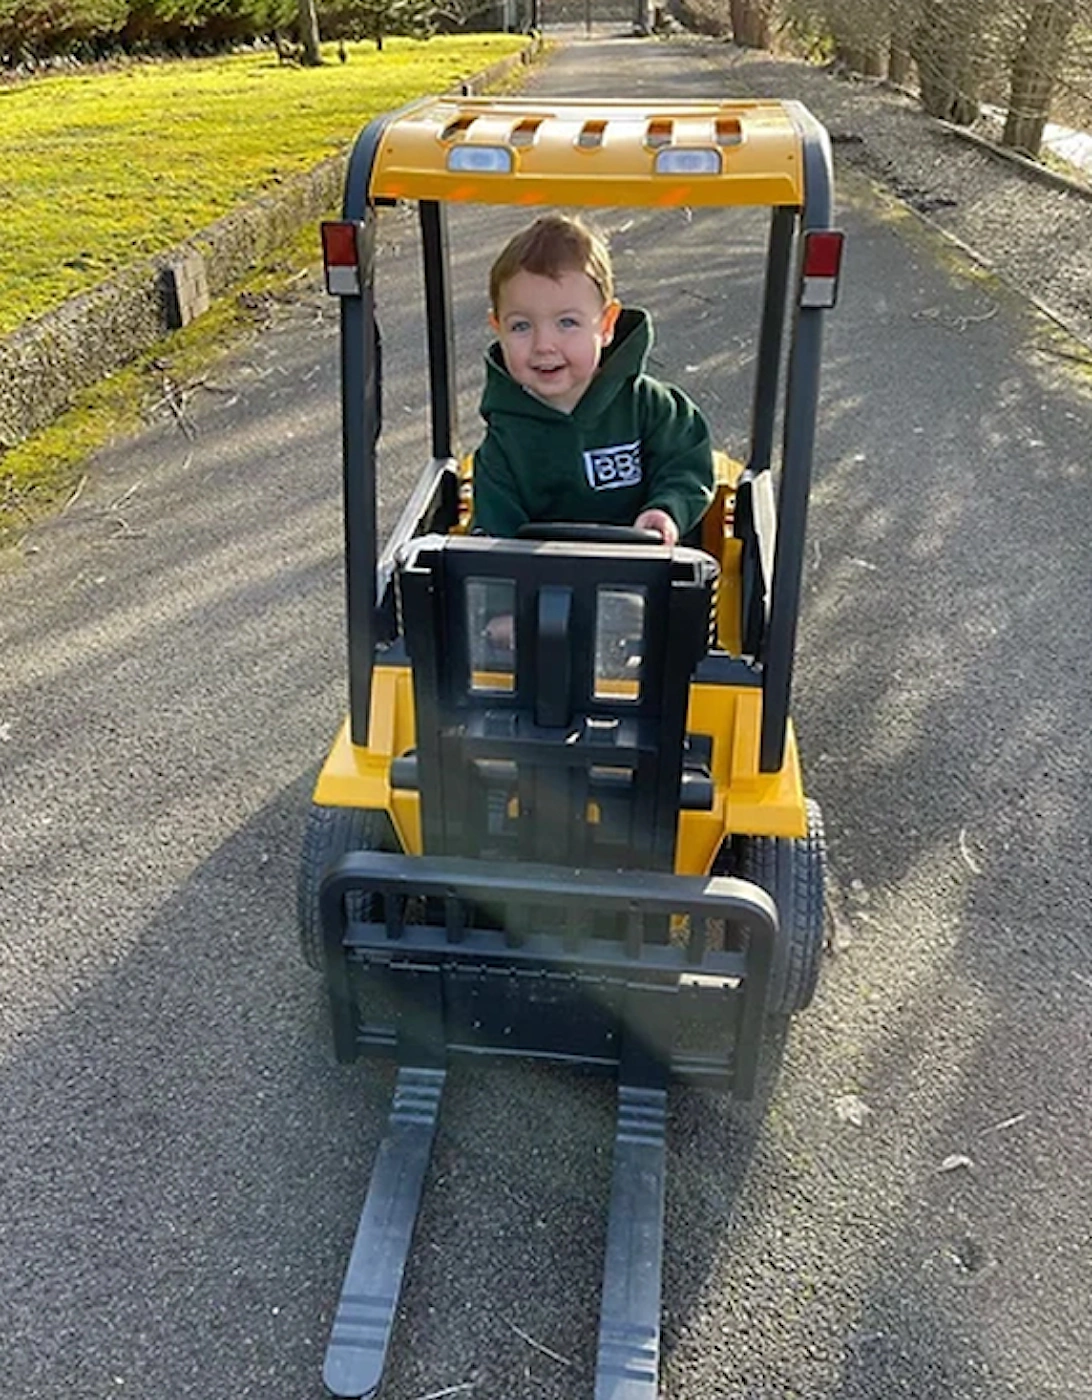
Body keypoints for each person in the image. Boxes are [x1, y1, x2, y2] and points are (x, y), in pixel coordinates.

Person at [470, 213, 714, 548]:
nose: (544, 345)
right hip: (541, 585)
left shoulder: (650, 407)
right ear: (498, 329)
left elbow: (686, 465)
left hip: (646, 573)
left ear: (606, 325)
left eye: (567, 322)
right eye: (521, 326)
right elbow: (497, 533)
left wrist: (666, 510)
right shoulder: (503, 442)